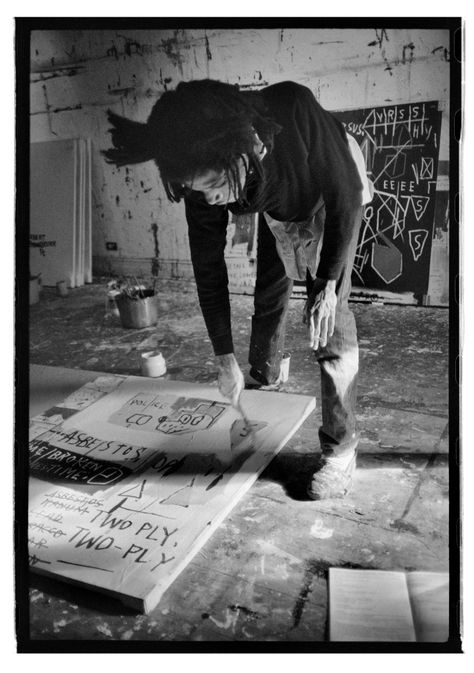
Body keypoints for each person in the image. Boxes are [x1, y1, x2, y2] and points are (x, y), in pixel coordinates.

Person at [103, 79, 372, 500]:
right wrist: (223, 358)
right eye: (198, 191)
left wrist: (327, 286)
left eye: (213, 187)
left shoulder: (294, 107)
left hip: (331, 194)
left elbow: (347, 198)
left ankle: (340, 449)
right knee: (269, 294)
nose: (208, 200)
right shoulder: (199, 172)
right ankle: (265, 375)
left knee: (330, 324)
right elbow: (208, 268)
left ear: (243, 153)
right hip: (276, 205)